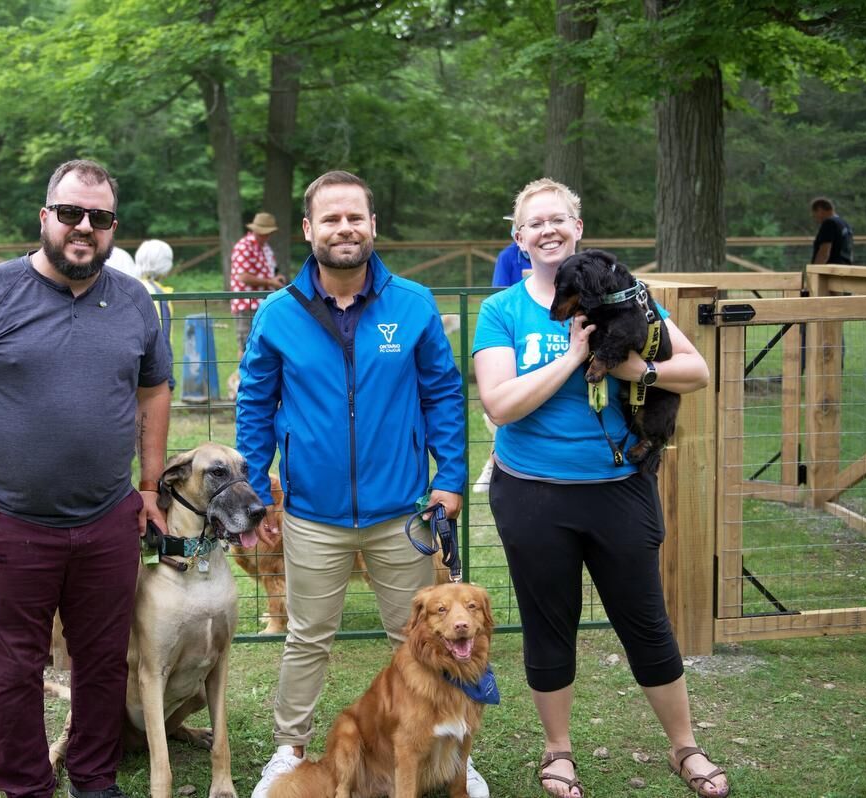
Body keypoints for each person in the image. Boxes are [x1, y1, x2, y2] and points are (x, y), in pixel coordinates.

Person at [0, 158, 172, 798]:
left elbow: (155, 389)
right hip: (8, 523)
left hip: (108, 519)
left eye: (100, 217)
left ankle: (93, 778)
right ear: (45, 217)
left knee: (104, 661)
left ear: (113, 226)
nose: (84, 227)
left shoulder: (135, 300)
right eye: (71, 213)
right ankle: (26, 787)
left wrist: (147, 486)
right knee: (10, 670)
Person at [472, 178, 729, 798]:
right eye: (535, 223)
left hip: (617, 488)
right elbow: (500, 404)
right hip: (532, 493)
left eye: (559, 219)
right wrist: (573, 355)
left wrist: (633, 365)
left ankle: (685, 746)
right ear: (519, 238)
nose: (548, 230)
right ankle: (558, 751)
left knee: (646, 621)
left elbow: (695, 370)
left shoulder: (624, 294)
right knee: (547, 622)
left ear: (578, 229)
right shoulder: (502, 310)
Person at [236, 170, 488, 798]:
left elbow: (442, 395)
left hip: (402, 508)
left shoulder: (412, 304)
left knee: (424, 636)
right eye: (331, 219)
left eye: (355, 217)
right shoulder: (278, 312)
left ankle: (453, 750)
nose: (344, 229)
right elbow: (255, 407)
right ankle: (289, 746)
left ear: (373, 225)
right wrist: (259, 492)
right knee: (306, 636)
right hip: (312, 512)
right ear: (308, 230)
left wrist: (450, 476)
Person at [475, 215, 530, 493]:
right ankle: (496, 460)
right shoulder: (509, 257)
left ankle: (494, 460)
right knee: (504, 406)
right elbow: (499, 293)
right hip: (513, 335)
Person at [109, 240, 177, 391]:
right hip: (150, 374)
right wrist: (169, 381)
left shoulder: (127, 286)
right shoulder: (158, 294)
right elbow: (162, 338)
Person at [229, 211, 287, 386]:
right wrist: (270, 282)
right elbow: (242, 277)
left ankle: (255, 382)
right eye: (263, 232)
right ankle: (242, 383)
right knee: (246, 345)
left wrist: (278, 278)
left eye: (267, 232)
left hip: (264, 304)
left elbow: (271, 271)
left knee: (264, 345)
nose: (265, 235)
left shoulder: (266, 248)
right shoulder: (243, 246)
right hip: (246, 304)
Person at [810, 197, 854, 265]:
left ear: (820, 210)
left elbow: (824, 252)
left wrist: (814, 271)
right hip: (846, 268)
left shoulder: (829, 223)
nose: (816, 219)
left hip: (831, 269)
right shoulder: (845, 224)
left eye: (814, 215)